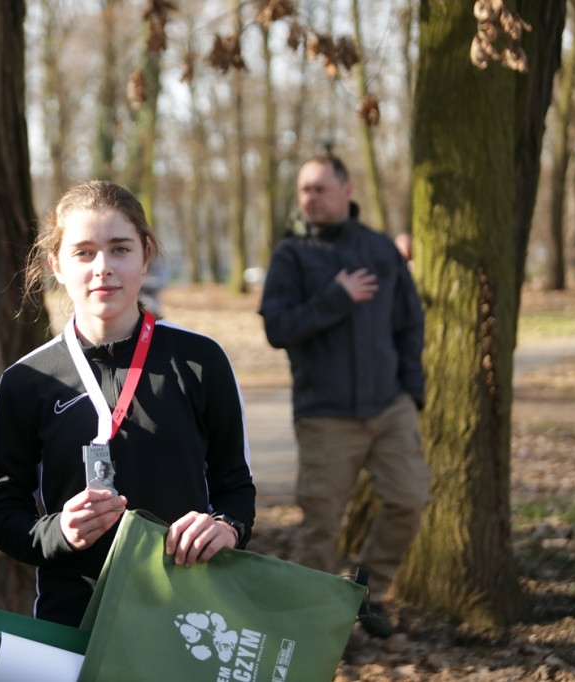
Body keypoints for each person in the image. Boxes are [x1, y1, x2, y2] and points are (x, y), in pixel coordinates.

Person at [0, 180, 256, 628]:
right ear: (56, 264)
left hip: (188, 617)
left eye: (120, 249)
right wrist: (59, 533)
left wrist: (226, 526)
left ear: (146, 255)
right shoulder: (26, 381)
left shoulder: (200, 360)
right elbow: (4, 516)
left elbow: (235, 486)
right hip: (75, 621)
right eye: (84, 252)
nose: (103, 268)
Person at [258, 154, 428, 638]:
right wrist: (335, 296)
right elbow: (278, 327)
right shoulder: (291, 254)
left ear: (346, 190)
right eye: (304, 190)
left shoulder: (379, 248)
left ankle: (366, 593)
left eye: (320, 189)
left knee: (409, 499)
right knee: (320, 529)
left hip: (390, 406)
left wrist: (412, 393)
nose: (310, 198)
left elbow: (409, 323)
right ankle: (311, 631)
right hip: (325, 414)